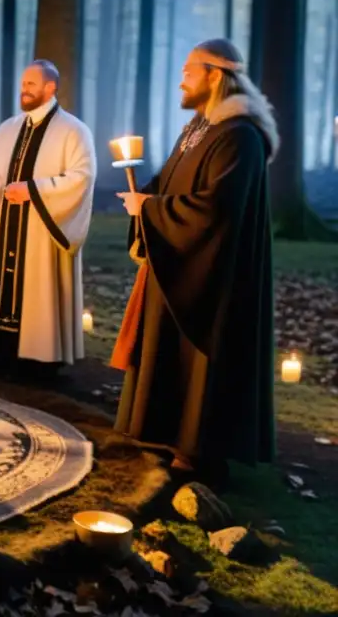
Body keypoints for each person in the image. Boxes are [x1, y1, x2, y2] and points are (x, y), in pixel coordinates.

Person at [112, 38, 277, 480]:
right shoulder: (198, 129)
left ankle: (201, 452)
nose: (181, 80)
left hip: (216, 276)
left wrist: (148, 211)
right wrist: (144, 196)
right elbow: (168, 182)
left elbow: (215, 208)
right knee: (170, 351)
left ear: (215, 75)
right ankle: (168, 435)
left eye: (189, 71)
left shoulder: (240, 135)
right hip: (180, 259)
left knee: (201, 360)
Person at [0, 60, 96, 381]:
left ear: (51, 88)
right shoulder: (8, 128)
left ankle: (39, 361)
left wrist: (34, 191)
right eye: (23, 83)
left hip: (40, 232)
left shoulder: (74, 131)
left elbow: (81, 178)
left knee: (38, 291)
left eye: (32, 84)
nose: (25, 89)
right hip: (8, 227)